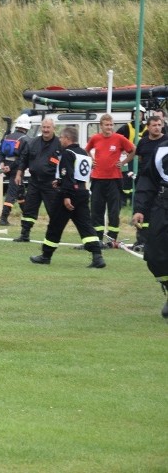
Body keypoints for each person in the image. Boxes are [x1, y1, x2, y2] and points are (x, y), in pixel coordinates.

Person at [28, 127, 105, 268]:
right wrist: (60, 181)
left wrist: (66, 195)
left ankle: (46, 256)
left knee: (55, 225)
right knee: (86, 226)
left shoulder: (67, 154)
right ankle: (97, 256)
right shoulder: (84, 153)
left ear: (68, 138)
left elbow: (68, 176)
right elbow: (78, 175)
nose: (60, 140)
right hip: (82, 192)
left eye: (61, 138)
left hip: (69, 193)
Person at [132, 134, 168, 320]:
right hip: (163, 205)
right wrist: (139, 209)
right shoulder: (161, 148)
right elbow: (148, 181)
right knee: (154, 255)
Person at [85, 114, 136, 245]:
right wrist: (91, 159)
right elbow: (86, 150)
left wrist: (123, 162)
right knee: (97, 210)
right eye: (106, 125)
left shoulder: (119, 138)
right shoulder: (95, 138)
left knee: (114, 211)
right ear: (101, 126)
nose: (109, 127)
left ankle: (112, 240)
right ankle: (97, 239)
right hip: (97, 179)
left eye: (111, 125)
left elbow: (133, 150)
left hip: (114, 179)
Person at [13, 117, 61, 243]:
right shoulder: (33, 142)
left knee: (54, 211)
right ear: (41, 128)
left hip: (51, 184)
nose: (45, 130)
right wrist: (19, 173)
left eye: (48, 127)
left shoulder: (59, 144)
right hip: (34, 182)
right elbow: (24, 159)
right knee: (29, 209)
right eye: (44, 127)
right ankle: (24, 235)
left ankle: (53, 236)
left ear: (53, 128)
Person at [130, 115, 165, 251]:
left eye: (159, 125)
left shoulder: (166, 140)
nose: (157, 127)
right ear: (148, 127)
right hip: (145, 181)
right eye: (154, 125)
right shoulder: (143, 142)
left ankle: (157, 241)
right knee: (142, 210)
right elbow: (140, 158)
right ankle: (141, 241)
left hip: (161, 182)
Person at [0, 114, 31, 226]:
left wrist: (3, 164)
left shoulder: (8, 136)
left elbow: (0, 152)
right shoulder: (25, 140)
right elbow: (23, 158)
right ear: (27, 127)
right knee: (12, 193)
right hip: (17, 169)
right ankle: (3, 218)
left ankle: (27, 214)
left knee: (20, 192)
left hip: (6, 166)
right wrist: (11, 167)